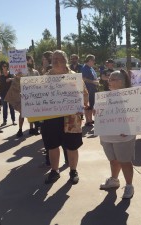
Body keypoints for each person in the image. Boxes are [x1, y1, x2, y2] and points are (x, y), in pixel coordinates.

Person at [43, 50, 89, 185]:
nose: (55, 61)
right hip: (51, 117)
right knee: (52, 146)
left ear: (65, 61)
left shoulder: (74, 77)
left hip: (71, 118)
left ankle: (73, 171)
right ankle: (54, 171)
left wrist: (84, 104)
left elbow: (84, 94)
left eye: (59, 58)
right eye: (53, 59)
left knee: (72, 146)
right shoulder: (45, 78)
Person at [98, 69, 135, 199]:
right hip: (107, 135)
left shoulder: (131, 96)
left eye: (112, 79)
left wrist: (130, 128)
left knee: (125, 162)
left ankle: (129, 185)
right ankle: (114, 180)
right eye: (109, 78)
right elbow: (100, 114)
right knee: (113, 160)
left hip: (123, 137)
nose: (109, 81)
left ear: (121, 82)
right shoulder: (105, 96)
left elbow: (136, 116)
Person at [16, 55, 40, 137]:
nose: (29, 62)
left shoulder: (36, 72)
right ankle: (20, 129)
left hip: (33, 96)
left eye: (30, 60)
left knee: (32, 113)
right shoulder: (21, 72)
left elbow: (39, 83)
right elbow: (17, 82)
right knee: (22, 113)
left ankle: (31, 128)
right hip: (24, 96)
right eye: (27, 60)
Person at [0, 49, 16, 126]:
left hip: (11, 93)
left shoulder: (11, 73)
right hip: (3, 94)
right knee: (5, 108)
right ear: (1, 67)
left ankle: (13, 120)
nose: (5, 67)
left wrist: (11, 79)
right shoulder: (0, 74)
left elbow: (16, 78)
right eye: (3, 66)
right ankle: (5, 121)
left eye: (6, 66)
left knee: (12, 107)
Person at [81, 54, 99, 126]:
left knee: (91, 104)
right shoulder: (84, 68)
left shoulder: (91, 68)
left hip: (93, 89)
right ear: (90, 60)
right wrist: (93, 82)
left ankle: (90, 119)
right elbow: (84, 78)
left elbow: (94, 78)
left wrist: (97, 80)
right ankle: (87, 121)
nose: (94, 62)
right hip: (87, 89)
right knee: (87, 105)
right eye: (93, 60)